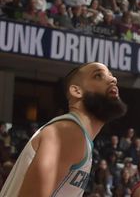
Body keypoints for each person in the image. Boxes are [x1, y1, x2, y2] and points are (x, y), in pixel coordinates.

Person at [0, 62, 127, 196]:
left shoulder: (78, 135)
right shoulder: (69, 132)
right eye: (98, 76)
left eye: (111, 75)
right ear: (77, 91)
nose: (113, 79)